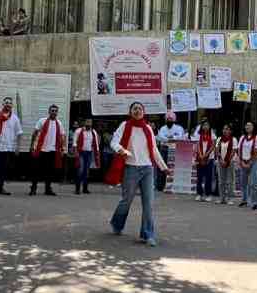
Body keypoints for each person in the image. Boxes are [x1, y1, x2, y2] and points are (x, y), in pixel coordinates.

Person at [109, 102, 168, 247]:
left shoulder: (147, 128)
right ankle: (117, 223)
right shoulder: (124, 126)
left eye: (140, 109)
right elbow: (114, 141)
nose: (137, 111)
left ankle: (147, 234)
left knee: (148, 203)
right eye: (134, 108)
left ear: (144, 112)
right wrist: (120, 149)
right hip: (131, 168)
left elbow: (153, 150)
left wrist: (163, 167)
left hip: (147, 169)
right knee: (126, 200)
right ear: (130, 111)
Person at [31, 105, 66, 196]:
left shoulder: (59, 123)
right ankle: (33, 188)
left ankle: (48, 189)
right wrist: (32, 146)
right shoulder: (42, 121)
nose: (54, 112)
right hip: (41, 150)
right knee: (36, 170)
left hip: (52, 150)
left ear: (57, 112)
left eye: (55, 111)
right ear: (49, 111)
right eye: (52, 110)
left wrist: (62, 149)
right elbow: (34, 133)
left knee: (49, 172)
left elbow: (62, 137)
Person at [156, 112, 185, 191]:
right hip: (164, 149)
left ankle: (172, 185)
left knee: (173, 167)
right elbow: (160, 137)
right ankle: (160, 185)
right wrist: (170, 139)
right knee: (163, 167)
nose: (169, 120)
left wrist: (171, 137)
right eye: (168, 119)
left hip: (174, 149)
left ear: (174, 120)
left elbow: (180, 137)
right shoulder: (162, 128)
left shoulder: (178, 128)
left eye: (171, 119)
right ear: (166, 120)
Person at [238, 122, 257, 210]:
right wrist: (241, 161)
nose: (247, 127)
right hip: (243, 161)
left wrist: (249, 162)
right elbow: (239, 150)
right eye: (246, 125)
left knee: (254, 183)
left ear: (253, 127)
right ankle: (244, 200)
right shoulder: (242, 137)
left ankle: (256, 202)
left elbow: (256, 151)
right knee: (243, 183)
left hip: (254, 161)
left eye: (249, 125)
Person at [73, 119, 100, 195]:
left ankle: (85, 188)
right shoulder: (79, 131)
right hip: (81, 152)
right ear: (84, 123)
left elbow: (96, 144)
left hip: (89, 153)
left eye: (90, 122)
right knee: (80, 170)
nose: (89, 123)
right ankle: (77, 188)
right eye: (87, 122)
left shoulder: (93, 132)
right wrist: (76, 152)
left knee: (87, 171)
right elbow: (75, 142)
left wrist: (96, 153)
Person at [193, 120, 216, 202]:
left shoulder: (212, 134)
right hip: (200, 157)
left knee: (208, 177)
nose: (205, 126)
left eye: (207, 125)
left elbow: (213, 146)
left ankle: (208, 194)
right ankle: (199, 194)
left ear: (209, 126)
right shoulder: (198, 135)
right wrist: (201, 155)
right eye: (204, 125)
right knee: (199, 177)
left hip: (209, 158)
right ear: (201, 126)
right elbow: (197, 145)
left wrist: (206, 155)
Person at [215, 124, 237, 205]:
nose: (225, 130)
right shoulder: (219, 139)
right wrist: (221, 160)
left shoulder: (233, 139)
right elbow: (217, 150)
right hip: (220, 161)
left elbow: (234, 151)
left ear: (230, 131)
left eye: (227, 129)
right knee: (221, 181)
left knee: (230, 181)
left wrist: (227, 161)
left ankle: (230, 198)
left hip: (230, 161)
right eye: (224, 129)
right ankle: (222, 198)